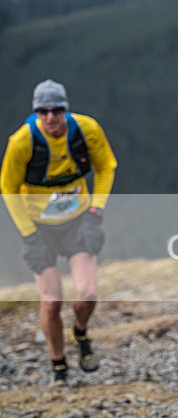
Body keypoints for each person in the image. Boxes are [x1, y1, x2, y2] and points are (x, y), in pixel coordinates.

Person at [1, 79, 117, 384]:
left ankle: (80, 332)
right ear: (36, 112)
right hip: (39, 226)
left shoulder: (87, 130)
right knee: (51, 301)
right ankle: (58, 364)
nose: (50, 117)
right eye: (43, 111)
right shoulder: (22, 143)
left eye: (57, 110)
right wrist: (29, 234)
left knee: (88, 293)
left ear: (66, 109)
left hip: (78, 220)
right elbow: (7, 188)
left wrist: (96, 211)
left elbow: (106, 167)